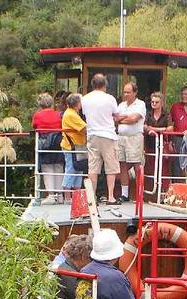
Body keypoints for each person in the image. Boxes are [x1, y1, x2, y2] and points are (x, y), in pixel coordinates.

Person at [81, 74, 121, 205]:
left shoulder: (85, 99)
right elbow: (116, 115)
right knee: (111, 167)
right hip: (108, 135)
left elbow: (85, 114)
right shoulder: (110, 99)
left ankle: (92, 197)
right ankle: (110, 197)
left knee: (93, 168)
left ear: (92, 84)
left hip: (92, 135)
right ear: (105, 85)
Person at [116, 82, 146, 202]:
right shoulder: (121, 105)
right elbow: (115, 118)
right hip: (121, 138)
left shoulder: (141, 104)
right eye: (125, 92)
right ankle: (125, 194)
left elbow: (134, 119)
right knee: (122, 164)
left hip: (134, 138)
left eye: (128, 92)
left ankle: (139, 194)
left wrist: (121, 119)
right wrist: (124, 118)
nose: (126, 94)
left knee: (137, 165)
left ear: (135, 93)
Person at [32, 93, 64, 205]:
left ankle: (51, 195)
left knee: (47, 168)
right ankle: (60, 195)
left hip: (45, 144)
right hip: (58, 143)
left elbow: (35, 126)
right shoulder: (59, 115)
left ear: (40, 104)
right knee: (59, 167)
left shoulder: (37, 115)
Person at [144, 91, 173, 192]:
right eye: (152, 102)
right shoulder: (148, 114)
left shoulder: (166, 114)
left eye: (156, 102)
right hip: (150, 145)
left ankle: (164, 191)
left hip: (163, 145)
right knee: (150, 167)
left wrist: (155, 129)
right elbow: (145, 127)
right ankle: (152, 191)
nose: (154, 104)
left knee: (164, 168)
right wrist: (158, 129)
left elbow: (170, 129)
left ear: (161, 103)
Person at [61, 93, 87, 202]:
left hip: (77, 146)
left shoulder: (72, 113)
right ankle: (67, 197)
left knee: (78, 169)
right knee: (71, 169)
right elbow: (84, 128)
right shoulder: (71, 115)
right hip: (71, 147)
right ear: (77, 103)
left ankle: (76, 196)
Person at [56, 234, 93, 299]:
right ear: (83, 256)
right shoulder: (72, 277)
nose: (91, 262)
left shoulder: (64, 266)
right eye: (89, 258)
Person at [169, 86, 187, 179]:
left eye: (186, 94)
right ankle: (177, 185)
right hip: (177, 138)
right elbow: (169, 122)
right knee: (177, 163)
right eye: (183, 94)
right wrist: (169, 141)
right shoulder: (175, 106)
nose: (184, 96)